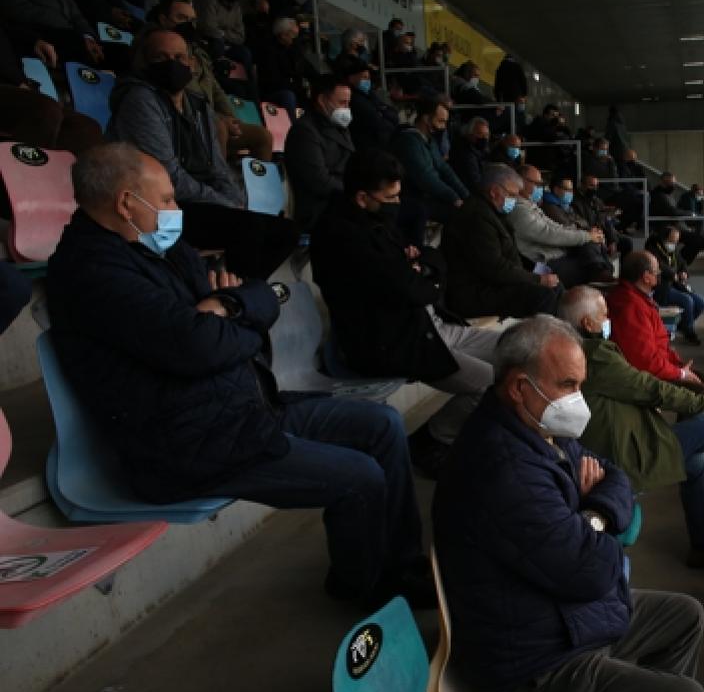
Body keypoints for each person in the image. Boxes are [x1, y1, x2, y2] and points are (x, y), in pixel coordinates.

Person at [46, 142, 430, 609]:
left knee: (381, 425)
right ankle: (361, 585)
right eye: (166, 199)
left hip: (243, 409)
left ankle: (400, 565)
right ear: (127, 203)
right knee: (362, 478)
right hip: (190, 446)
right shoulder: (92, 273)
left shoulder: (159, 249)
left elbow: (253, 298)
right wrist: (229, 322)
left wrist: (227, 310)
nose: (175, 209)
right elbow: (199, 345)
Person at [433, 316, 704, 692]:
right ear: (519, 387)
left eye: (581, 384)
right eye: (567, 384)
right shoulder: (504, 469)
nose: (578, 400)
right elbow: (593, 572)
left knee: (685, 615)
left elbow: (616, 476)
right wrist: (597, 517)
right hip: (533, 663)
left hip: (556, 615)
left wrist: (590, 514)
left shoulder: (536, 425)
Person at [312, 149, 500, 465]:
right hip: (396, 341)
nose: (398, 204)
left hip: (431, 327)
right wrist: (423, 273)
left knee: (517, 349)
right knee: (490, 385)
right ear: (361, 197)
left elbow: (430, 259)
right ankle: (431, 441)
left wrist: (423, 269)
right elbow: (412, 288)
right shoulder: (342, 236)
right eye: (390, 197)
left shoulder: (374, 219)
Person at [560, 288, 704, 569]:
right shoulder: (594, 354)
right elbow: (647, 387)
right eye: (604, 315)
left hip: (625, 435)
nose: (609, 319)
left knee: (696, 465)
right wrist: (703, 403)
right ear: (587, 323)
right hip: (621, 452)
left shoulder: (581, 349)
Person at [108, 28, 298, 278]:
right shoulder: (140, 100)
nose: (172, 65)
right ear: (144, 63)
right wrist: (225, 204)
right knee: (247, 228)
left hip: (195, 202)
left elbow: (216, 166)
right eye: (160, 58)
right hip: (158, 206)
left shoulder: (198, 104)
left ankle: (243, 293)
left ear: (191, 63)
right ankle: (237, 302)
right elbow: (169, 176)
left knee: (286, 231)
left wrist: (234, 201)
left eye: (179, 58)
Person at [153, 0, 273, 162]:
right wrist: (219, 119)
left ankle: (257, 187)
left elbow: (216, 89)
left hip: (213, 118)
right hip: (186, 122)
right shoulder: (158, 53)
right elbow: (183, 96)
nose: (188, 24)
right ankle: (220, 184)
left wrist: (231, 117)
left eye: (191, 20)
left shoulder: (198, 52)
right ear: (163, 20)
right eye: (181, 18)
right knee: (219, 129)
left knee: (262, 136)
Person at [442, 164, 560, 318]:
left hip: (493, 283)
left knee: (556, 285)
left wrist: (538, 269)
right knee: (544, 296)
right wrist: (537, 279)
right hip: (476, 292)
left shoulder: (492, 211)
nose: (514, 200)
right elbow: (495, 268)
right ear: (494, 191)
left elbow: (510, 253)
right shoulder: (476, 217)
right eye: (511, 195)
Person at [605, 252, 703, 391]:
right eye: (657, 271)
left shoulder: (635, 298)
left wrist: (678, 365)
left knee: (698, 378)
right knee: (698, 389)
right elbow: (645, 361)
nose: (659, 274)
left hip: (657, 367)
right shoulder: (632, 307)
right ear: (646, 277)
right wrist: (680, 373)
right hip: (646, 379)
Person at [0, 25, 102, 154]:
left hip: (15, 79)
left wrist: (35, 41)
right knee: (45, 110)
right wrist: (18, 81)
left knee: (87, 128)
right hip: (11, 81)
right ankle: (25, 169)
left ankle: (53, 171)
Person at [511, 165, 611, 287]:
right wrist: (586, 236)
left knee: (594, 245)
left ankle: (602, 273)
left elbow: (556, 226)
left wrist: (589, 234)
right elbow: (549, 234)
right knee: (590, 260)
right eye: (536, 183)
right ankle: (601, 274)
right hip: (544, 264)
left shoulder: (530, 206)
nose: (540, 187)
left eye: (541, 183)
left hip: (557, 254)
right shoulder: (519, 210)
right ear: (520, 181)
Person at [390, 96, 469, 244]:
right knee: (459, 215)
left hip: (427, 196)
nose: (444, 127)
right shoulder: (408, 142)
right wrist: (454, 198)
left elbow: (444, 169)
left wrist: (466, 195)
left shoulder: (428, 140)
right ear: (426, 119)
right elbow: (425, 177)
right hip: (412, 198)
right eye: (440, 121)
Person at [285, 73, 354, 232]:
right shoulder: (304, 131)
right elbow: (319, 181)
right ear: (322, 100)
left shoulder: (339, 126)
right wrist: (354, 191)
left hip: (342, 199)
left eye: (348, 104)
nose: (346, 109)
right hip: (320, 208)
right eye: (342, 103)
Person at [0, 0, 107, 71]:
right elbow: (18, 10)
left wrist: (89, 36)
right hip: (45, 34)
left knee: (115, 52)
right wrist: (78, 36)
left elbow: (75, 12)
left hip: (76, 36)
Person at [644, 226, 704, 345]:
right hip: (661, 287)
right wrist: (673, 274)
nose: (674, 244)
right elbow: (659, 266)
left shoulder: (674, 250)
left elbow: (682, 262)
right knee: (687, 301)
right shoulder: (652, 249)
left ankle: (682, 326)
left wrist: (684, 272)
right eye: (672, 241)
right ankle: (689, 331)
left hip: (676, 285)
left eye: (676, 241)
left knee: (701, 302)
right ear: (664, 239)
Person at [339, 55, 398, 154]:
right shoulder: (353, 98)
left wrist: (382, 112)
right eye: (364, 77)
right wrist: (382, 111)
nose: (367, 81)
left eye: (369, 78)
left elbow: (393, 113)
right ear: (351, 78)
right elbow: (377, 122)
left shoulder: (369, 93)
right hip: (368, 148)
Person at [253, 15, 305, 121]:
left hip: (291, 87)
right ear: (283, 35)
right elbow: (273, 81)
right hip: (273, 91)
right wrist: (294, 84)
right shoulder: (268, 51)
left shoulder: (293, 48)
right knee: (289, 96)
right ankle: (294, 129)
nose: (295, 39)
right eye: (293, 35)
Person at [194, 0, 250, 72]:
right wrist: (227, 33)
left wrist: (222, 33)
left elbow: (240, 36)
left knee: (245, 53)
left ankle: (249, 86)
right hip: (208, 42)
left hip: (229, 43)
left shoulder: (235, 4)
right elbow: (209, 28)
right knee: (217, 45)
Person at [649, 171, 704, 265]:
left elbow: (675, 211)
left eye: (674, 183)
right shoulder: (658, 195)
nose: (673, 186)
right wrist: (690, 214)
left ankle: (680, 263)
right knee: (698, 240)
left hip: (674, 226)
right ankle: (679, 264)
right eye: (670, 183)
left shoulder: (668, 195)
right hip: (665, 228)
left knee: (700, 240)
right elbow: (673, 211)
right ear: (662, 182)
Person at [573, 174, 629, 257]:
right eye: (591, 185)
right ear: (582, 185)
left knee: (627, 242)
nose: (594, 189)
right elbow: (580, 223)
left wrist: (612, 240)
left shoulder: (596, 200)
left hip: (603, 233)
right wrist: (600, 236)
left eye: (596, 186)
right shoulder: (574, 202)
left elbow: (605, 220)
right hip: (589, 234)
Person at [449, 116, 490, 192]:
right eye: (480, 134)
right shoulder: (465, 153)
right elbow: (475, 183)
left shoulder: (478, 149)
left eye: (486, 135)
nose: (484, 138)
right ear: (469, 134)